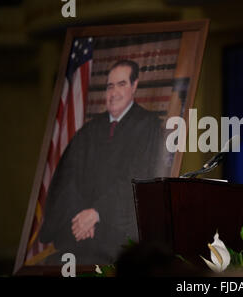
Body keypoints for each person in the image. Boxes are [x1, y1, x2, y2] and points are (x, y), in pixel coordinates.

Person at [39, 60, 168, 264]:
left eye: (121, 84)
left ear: (134, 86)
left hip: (118, 240)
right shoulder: (89, 131)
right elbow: (67, 180)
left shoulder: (147, 126)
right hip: (80, 236)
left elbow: (139, 179)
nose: (114, 92)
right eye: (110, 86)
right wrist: (80, 219)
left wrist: (97, 213)